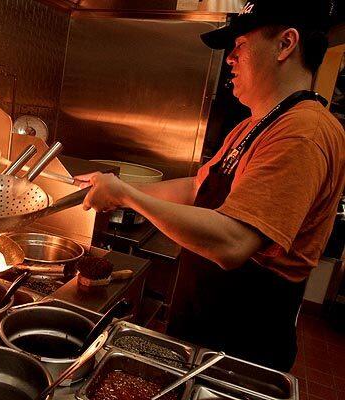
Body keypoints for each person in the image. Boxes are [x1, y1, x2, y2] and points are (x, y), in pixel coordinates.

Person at [76, 0, 344, 372]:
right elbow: (195, 188)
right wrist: (111, 190)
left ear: (286, 44)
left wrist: (126, 196)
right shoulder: (254, 125)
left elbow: (234, 243)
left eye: (240, 47)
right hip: (203, 330)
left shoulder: (302, 132)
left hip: (242, 346)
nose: (230, 60)